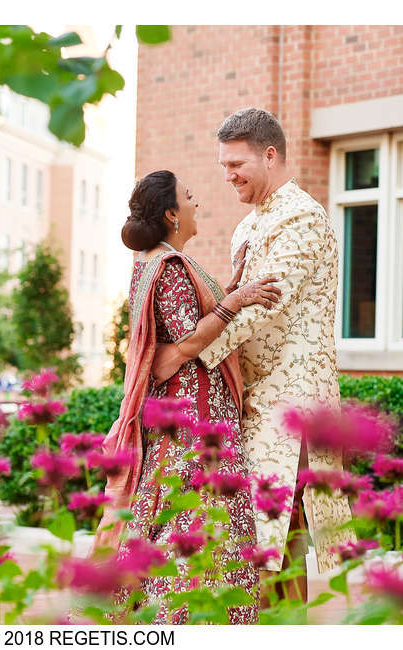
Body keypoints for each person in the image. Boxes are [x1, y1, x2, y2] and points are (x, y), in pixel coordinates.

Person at [152, 108, 356, 605]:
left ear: (270, 155)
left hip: (291, 405)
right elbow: (235, 302)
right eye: (223, 166)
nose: (227, 176)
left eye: (236, 164)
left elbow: (261, 308)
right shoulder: (247, 227)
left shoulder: (303, 218)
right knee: (262, 545)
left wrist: (184, 353)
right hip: (248, 401)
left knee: (271, 540)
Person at [92, 170, 281, 624]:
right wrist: (238, 300)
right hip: (196, 421)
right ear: (172, 213)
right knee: (198, 529)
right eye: (189, 197)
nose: (197, 203)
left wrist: (233, 286)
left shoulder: (153, 261)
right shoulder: (170, 266)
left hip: (180, 417)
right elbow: (189, 342)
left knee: (166, 521)